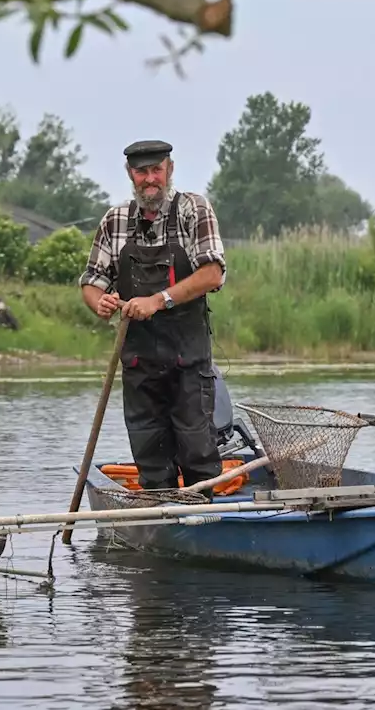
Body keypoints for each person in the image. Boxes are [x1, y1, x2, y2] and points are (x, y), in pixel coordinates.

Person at [78, 139, 227, 492]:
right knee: (151, 461)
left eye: (156, 170)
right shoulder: (114, 221)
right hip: (139, 367)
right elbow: (90, 282)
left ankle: (205, 526)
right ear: (130, 174)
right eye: (141, 172)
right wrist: (99, 302)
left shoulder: (194, 210)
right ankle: (160, 521)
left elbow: (212, 274)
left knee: (198, 455)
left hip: (188, 362)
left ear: (169, 170)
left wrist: (158, 300)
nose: (150, 179)